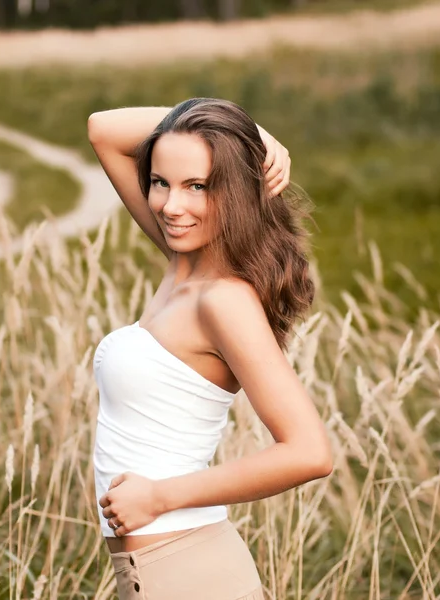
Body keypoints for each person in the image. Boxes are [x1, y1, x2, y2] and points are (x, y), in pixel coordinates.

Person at [87, 98, 333, 600]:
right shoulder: (185, 261)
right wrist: (259, 135)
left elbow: (310, 452)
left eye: (197, 186)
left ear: (237, 190)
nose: (171, 206)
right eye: (160, 182)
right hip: (159, 567)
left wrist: (159, 496)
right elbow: (103, 130)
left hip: (187, 570)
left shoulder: (224, 299)